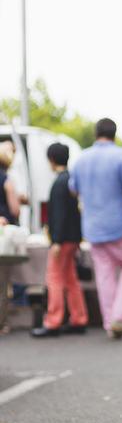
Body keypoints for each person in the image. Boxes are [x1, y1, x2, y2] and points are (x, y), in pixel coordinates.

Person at [69, 118, 122, 339]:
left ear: (96, 133)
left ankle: (110, 323)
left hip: (93, 228)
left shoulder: (81, 159)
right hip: (119, 225)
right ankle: (119, 316)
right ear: (114, 134)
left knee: (104, 275)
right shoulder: (121, 156)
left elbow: (74, 191)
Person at [31, 143, 88, 337]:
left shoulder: (58, 184)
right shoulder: (71, 181)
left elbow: (58, 215)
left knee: (54, 278)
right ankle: (79, 318)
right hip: (73, 238)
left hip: (61, 240)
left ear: (52, 159)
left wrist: (55, 240)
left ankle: (53, 321)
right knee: (70, 279)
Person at [0, 142, 21, 334]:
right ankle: (2, 322)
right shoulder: (6, 180)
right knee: (2, 282)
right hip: (2, 235)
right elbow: (15, 209)